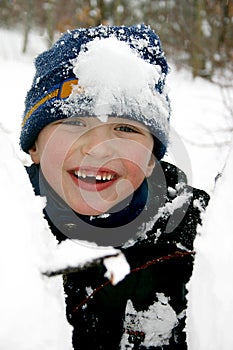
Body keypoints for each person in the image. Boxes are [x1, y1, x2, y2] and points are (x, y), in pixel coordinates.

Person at [20, 24, 209, 349]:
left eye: (125, 127)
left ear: (151, 158)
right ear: (34, 147)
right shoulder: (9, 229)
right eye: (74, 121)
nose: (98, 149)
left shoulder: (199, 233)